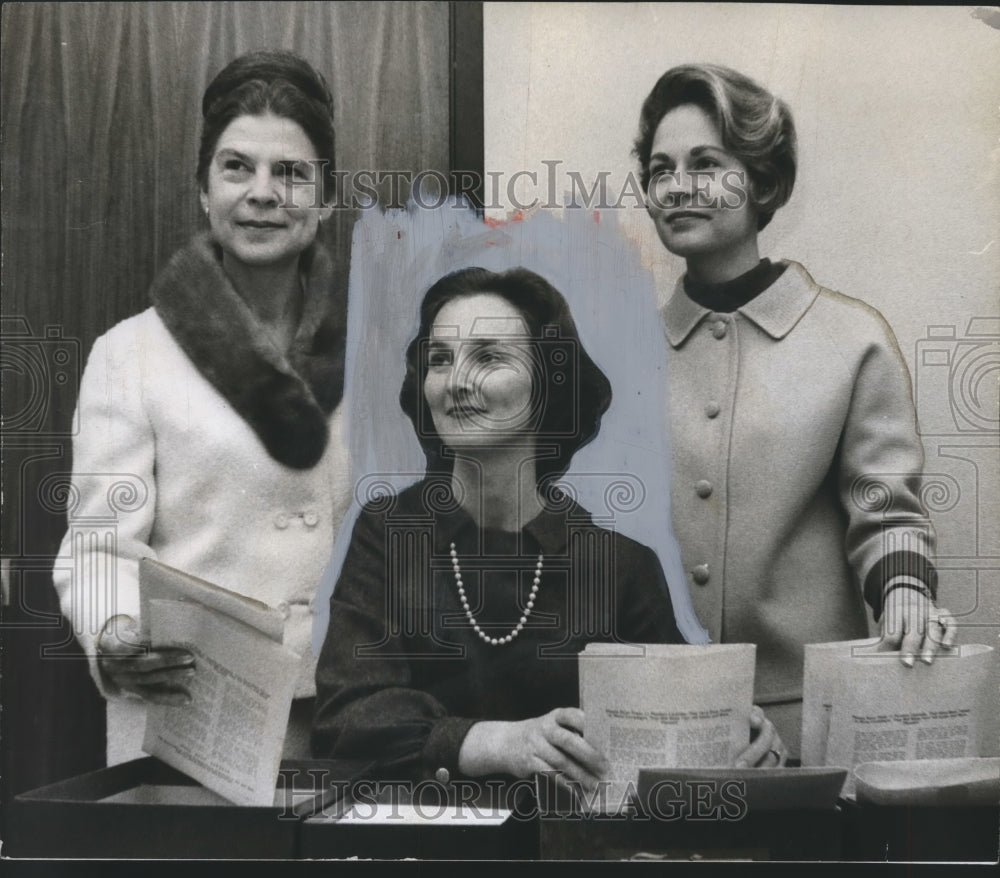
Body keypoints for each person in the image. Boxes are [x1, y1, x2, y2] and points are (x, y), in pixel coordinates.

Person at [312, 266, 785, 796]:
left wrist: (737, 739)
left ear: (548, 383)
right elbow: (346, 717)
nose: (455, 381)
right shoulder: (389, 534)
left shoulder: (617, 563)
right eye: (439, 359)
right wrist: (494, 743)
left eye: (488, 357)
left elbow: (679, 723)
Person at [633, 63, 957, 753]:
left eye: (706, 163)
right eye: (660, 170)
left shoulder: (852, 339)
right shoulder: (623, 359)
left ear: (762, 181)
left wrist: (905, 591)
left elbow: (887, 510)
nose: (677, 187)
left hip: (811, 728)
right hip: (659, 727)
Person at [53, 50, 351, 762]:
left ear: (327, 198)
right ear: (202, 190)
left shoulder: (379, 346)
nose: (262, 193)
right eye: (236, 167)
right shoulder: (131, 354)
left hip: (346, 717)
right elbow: (96, 551)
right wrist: (117, 629)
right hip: (187, 715)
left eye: (291, 173)